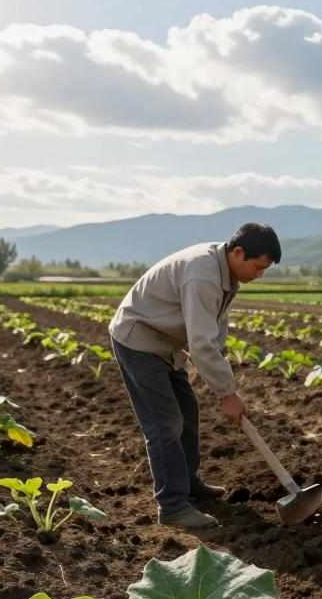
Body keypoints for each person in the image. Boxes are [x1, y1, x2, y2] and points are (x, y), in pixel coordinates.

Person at [109, 222, 281, 530]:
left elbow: (214, 332)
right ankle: (173, 505)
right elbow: (200, 342)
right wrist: (227, 393)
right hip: (139, 340)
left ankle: (187, 483)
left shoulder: (226, 274)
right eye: (257, 267)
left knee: (187, 412)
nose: (259, 275)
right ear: (238, 252)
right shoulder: (203, 274)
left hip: (166, 343)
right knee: (165, 424)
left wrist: (222, 379)